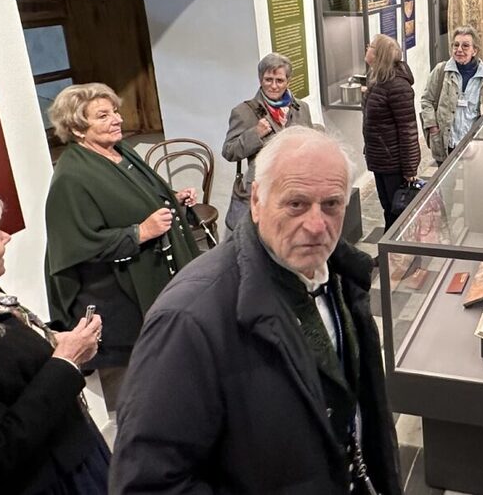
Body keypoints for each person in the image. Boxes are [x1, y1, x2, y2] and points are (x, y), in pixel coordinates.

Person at [111, 127, 402, 494]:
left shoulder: (338, 275)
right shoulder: (188, 319)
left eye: (331, 204)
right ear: (256, 202)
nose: (317, 226)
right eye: (296, 204)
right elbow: (146, 484)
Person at [45, 83, 201, 411]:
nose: (117, 119)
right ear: (77, 128)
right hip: (120, 299)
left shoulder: (121, 151)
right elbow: (77, 246)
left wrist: (171, 199)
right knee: (143, 383)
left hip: (153, 277)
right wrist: (139, 232)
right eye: (103, 116)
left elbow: (132, 198)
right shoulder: (71, 177)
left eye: (115, 111)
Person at [0, 186, 109, 493]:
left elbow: (9, 364)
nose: (6, 237)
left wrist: (53, 340)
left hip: (72, 454)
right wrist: (65, 362)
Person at [222, 52, 315, 229]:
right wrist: (255, 133)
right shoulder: (244, 112)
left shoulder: (301, 108)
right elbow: (229, 151)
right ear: (260, 79)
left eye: (279, 80)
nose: (273, 86)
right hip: (264, 193)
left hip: (296, 189)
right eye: (268, 80)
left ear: (288, 81)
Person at [363, 34, 421, 230]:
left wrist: (410, 169)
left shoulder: (398, 86)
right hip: (380, 159)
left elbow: (408, 130)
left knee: (397, 213)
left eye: (370, 46)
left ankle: (395, 247)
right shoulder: (378, 79)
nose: (367, 48)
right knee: (388, 208)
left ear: (379, 55)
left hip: (393, 163)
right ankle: (390, 247)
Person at [421, 26, 483, 165]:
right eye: (456, 45)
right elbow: (427, 101)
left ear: (475, 50)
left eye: (465, 46)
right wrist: (433, 127)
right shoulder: (441, 71)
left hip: (474, 147)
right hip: (445, 144)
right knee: (446, 178)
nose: (459, 49)